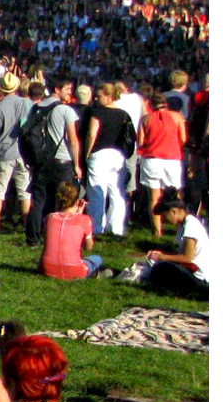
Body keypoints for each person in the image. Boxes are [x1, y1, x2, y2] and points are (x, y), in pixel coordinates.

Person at [25, 75, 82, 247]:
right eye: (67, 89)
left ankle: (33, 238)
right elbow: (72, 139)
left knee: (39, 200)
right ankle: (57, 235)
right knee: (62, 199)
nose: (70, 93)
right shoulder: (65, 110)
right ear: (57, 89)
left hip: (41, 160)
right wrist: (77, 164)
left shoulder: (36, 108)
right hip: (61, 159)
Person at [83, 82, 133, 237]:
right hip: (118, 155)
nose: (97, 99)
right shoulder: (124, 114)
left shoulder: (98, 113)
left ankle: (96, 227)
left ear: (109, 96)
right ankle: (116, 228)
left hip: (99, 153)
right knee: (117, 192)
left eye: (99, 96)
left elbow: (92, 134)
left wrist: (87, 153)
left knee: (97, 191)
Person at [0, 72, 31, 232]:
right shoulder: (27, 104)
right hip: (23, 152)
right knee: (24, 191)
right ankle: (26, 223)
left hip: (3, 152)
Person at [137, 92, 186, 237]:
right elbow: (183, 138)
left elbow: (140, 142)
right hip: (171, 159)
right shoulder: (177, 116)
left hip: (152, 159)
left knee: (154, 197)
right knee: (176, 194)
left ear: (150, 104)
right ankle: (180, 228)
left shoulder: (145, 119)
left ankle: (157, 231)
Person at [147, 188, 209, 299]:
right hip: (192, 271)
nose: (164, 220)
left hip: (199, 276)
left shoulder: (191, 226)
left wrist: (162, 257)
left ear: (174, 211)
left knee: (161, 268)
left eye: (164, 216)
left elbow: (187, 257)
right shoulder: (184, 225)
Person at [40, 181, 104, 279]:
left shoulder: (49, 218)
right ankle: (95, 273)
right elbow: (88, 247)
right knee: (97, 259)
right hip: (75, 271)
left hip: (46, 268)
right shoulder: (84, 219)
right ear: (78, 202)